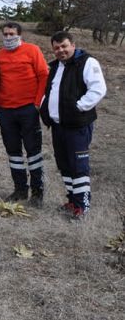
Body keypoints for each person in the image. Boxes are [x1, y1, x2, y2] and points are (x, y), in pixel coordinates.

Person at [40, 31, 106, 220]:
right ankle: (72, 200)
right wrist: (45, 108)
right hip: (58, 125)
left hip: (77, 125)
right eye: (56, 48)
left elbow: (98, 89)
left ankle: (82, 205)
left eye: (64, 46)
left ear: (73, 45)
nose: (60, 51)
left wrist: (78, 107)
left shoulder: (87, 63)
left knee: (79, 166)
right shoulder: (55, 67)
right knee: (65, 165)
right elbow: (50, 90)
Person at [0, 22, 49, 206]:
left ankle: (37, 192)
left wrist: (37, 103)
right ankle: (20, 189)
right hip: (6, 111)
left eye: (11, 34)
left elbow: (43, 75)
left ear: (19, 35)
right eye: (5, 34)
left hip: (28, 109)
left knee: (33, 151)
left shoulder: (32, 50)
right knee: (13, 152)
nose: (8, 37)